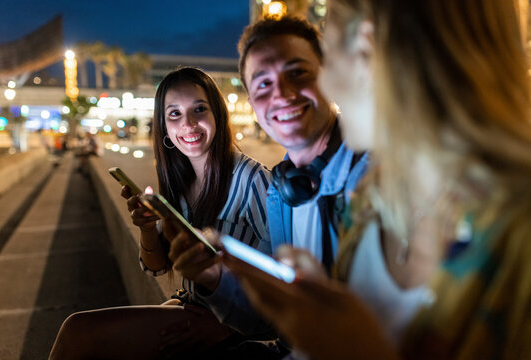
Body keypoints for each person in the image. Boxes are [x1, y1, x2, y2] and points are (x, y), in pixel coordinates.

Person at [224, 0, 531, 359]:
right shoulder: (374, 200)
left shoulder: (518, 233)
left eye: (329, 59)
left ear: (368, 49)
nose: (328, 87)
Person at [164, 16, 368, 346]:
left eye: (297, 72)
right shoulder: (281, 192)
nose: (282, 94)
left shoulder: (372, 177)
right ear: (252, 106)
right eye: (262, 84)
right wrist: (212, 279)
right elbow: (269, 320)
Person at [49, 67, 271, 359]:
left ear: (217, 113)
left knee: (78, 332)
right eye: (174, 114)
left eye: (199, 109)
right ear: (164, 126)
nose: (188, 124)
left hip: (233, 322)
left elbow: (289, 278)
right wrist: (146, 226)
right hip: (191, 306)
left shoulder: (252, 180)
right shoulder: (179, 182)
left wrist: (227, 327)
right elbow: (157, 267)